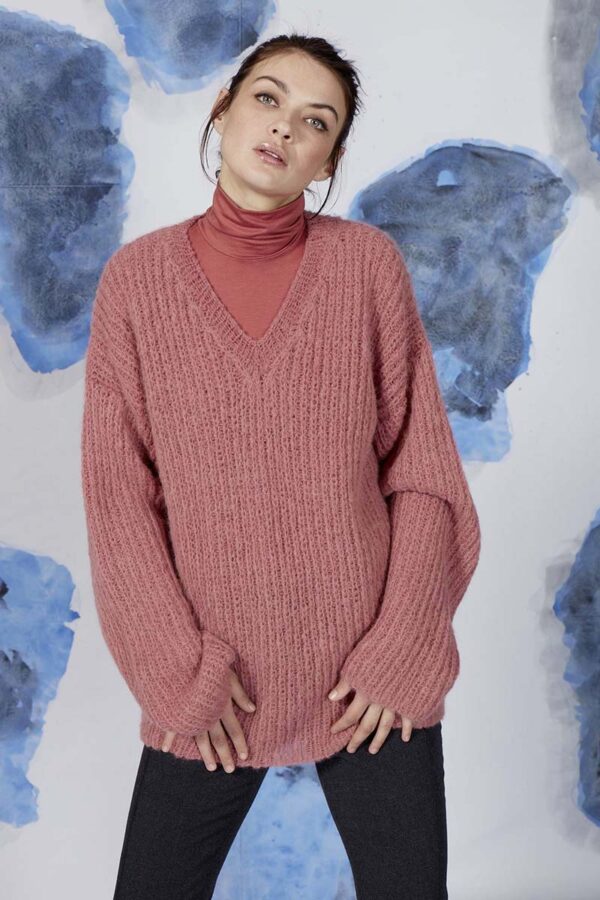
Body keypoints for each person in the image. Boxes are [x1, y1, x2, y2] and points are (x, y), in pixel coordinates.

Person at [81, 32, 481, 900]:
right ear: (223, 110)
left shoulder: (366, 268)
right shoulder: (136, 285)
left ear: (327, 160)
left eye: (316, 120)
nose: (284, 127)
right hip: (214, 687)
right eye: (267, 98)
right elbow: (120, 505)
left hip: (367, 683)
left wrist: (401, 648)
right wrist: (177, 674)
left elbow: (423, 475)